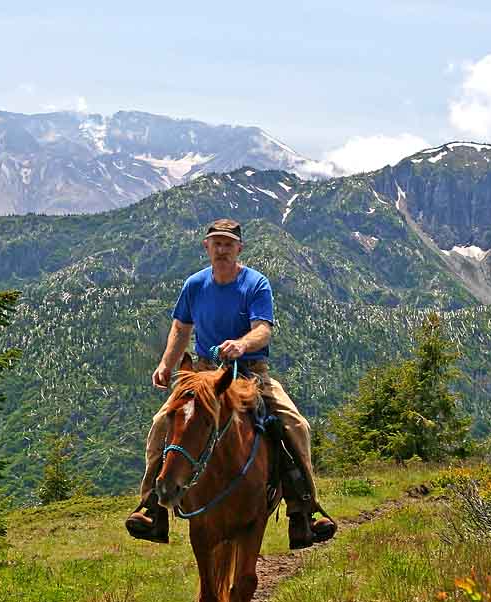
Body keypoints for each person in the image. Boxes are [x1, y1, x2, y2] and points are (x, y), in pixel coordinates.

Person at [125, 218, 336, 549]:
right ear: (206, 247)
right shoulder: (195, 285)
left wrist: (242, 343)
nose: (222, 249)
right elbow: (181, 328)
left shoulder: (255, 283)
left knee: (296, 424)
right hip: (204, 372)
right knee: (160, 424)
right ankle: (152, 506)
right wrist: (166, 364)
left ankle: (305, 509)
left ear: (239, 248)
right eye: (216, 243)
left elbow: (264, 328)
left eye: (228, 244)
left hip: (251, 370)